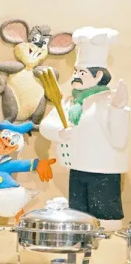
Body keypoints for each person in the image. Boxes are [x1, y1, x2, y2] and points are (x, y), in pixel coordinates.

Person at [39, 27, 130, 230]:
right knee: (78, 213)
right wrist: (59, 132)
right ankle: (81, 244)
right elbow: (46, 125)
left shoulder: (108, 100)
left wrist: (119, 109)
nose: (77, 76)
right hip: (77, 167)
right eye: (76, 72)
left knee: (104, 214)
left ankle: (105, 244)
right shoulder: (68, 102)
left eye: (82, 73)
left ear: (98, 76)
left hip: (103, 170)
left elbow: (119, 137)